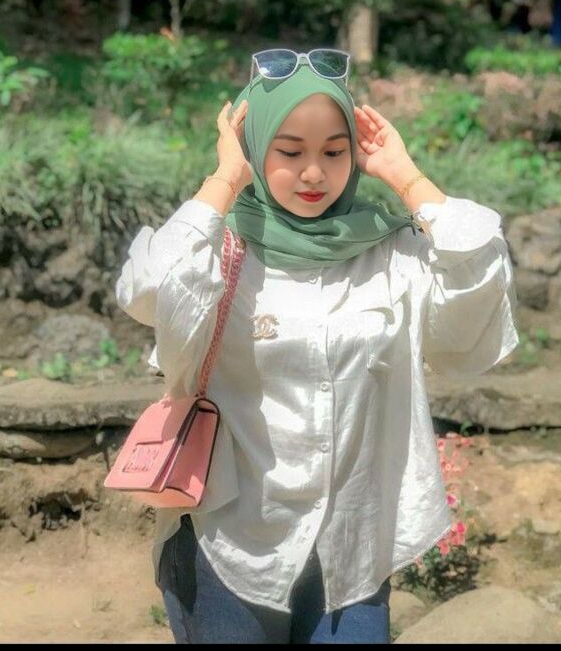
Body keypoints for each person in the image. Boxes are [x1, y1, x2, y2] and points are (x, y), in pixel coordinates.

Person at [115, 49, 519, 644]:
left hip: (350, 551)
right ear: (254, 150)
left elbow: (473, 305)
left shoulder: (389, 254)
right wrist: (224, 180)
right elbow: (150, 288)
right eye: (288, 152)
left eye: (334, 152)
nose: (313, 174)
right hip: (227, 540)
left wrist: (408, 179)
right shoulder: (217, 251)